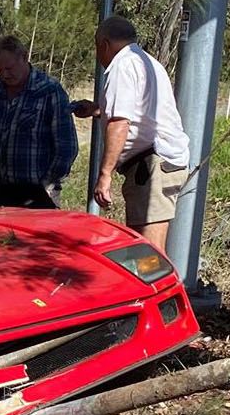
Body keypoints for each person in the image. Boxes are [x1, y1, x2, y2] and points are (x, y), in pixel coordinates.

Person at [72, 16, 190, 252]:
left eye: (97, 48)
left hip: (152, 166)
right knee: (143, 249)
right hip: (157, 164)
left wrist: (105, 175)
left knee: (150, 253)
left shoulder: (122, 66)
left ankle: (161, 290)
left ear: (104, 44)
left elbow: (120, 123)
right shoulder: (146, 62)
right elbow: (140, 112)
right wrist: (98, 109)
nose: (99, 56)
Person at [0, 34, 77, 214]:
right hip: (2, 190)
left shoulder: (50, 91)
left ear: (24, 57)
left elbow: (66, 146)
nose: (5, 75)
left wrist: (48, 185)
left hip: (38, 193)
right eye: (0, 70)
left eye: (9, 68)